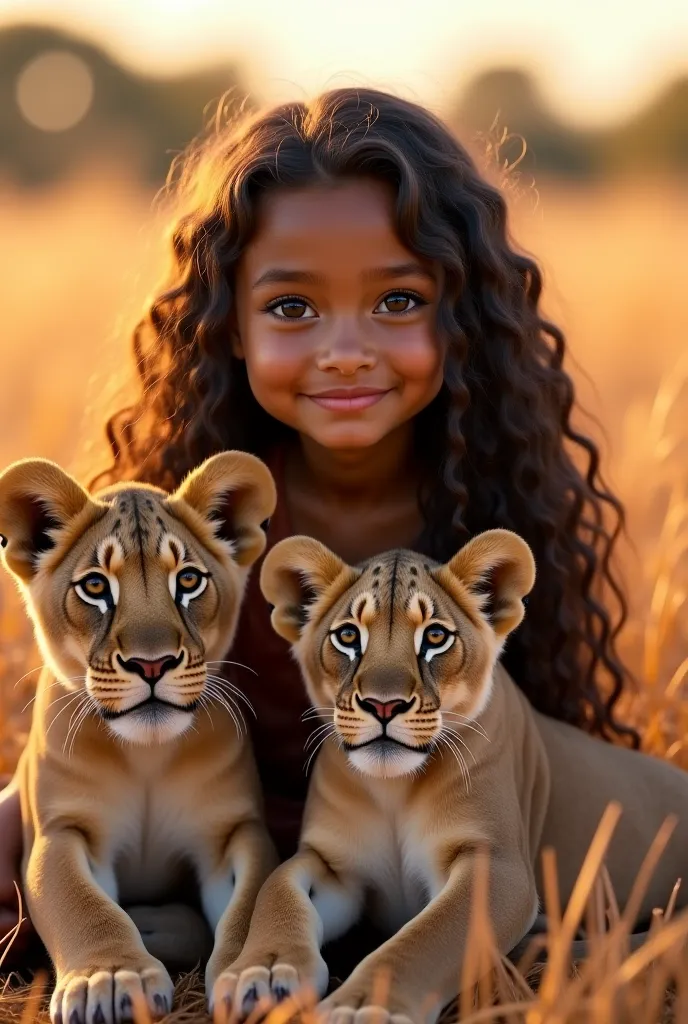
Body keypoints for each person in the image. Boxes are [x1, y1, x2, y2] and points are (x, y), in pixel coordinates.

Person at [0, 87, 637, 963]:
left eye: (399, 301)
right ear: (226, 325)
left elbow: (521, 772)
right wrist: (24, 805)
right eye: (293, 308)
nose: (345, 348)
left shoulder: (492, 515)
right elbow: (93, 706)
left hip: (405, 876)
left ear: (464, 319)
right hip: (245, 878)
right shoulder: (190, 525)